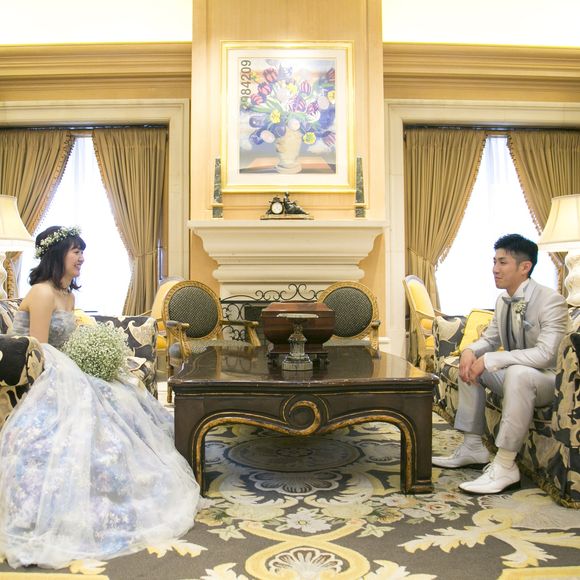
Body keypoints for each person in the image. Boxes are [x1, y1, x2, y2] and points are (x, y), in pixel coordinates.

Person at [0, 226, 201, 569]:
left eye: (82, 251)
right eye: (75, 251)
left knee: (124, 390)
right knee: (104, 399)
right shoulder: (43, 293)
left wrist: (94, 360)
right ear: (57, 255)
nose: (81, 258)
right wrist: (81, 371)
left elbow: (66, 344)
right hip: (36, 372)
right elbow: (40, 349)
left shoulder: (67, 295)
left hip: (59, 364)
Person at [433, 233, 569, 494]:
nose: (495, 269)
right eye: (494, 261)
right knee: (470, 366)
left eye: (502, 262)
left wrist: (491, 359)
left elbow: (547, 355)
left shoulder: (551, 300)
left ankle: (506, 465)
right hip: (519, 377)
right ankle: (473, 446)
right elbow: (490, 339)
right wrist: (470, 351)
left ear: (525, 266)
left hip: (549, 381)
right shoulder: (503, 300)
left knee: (516, 373)